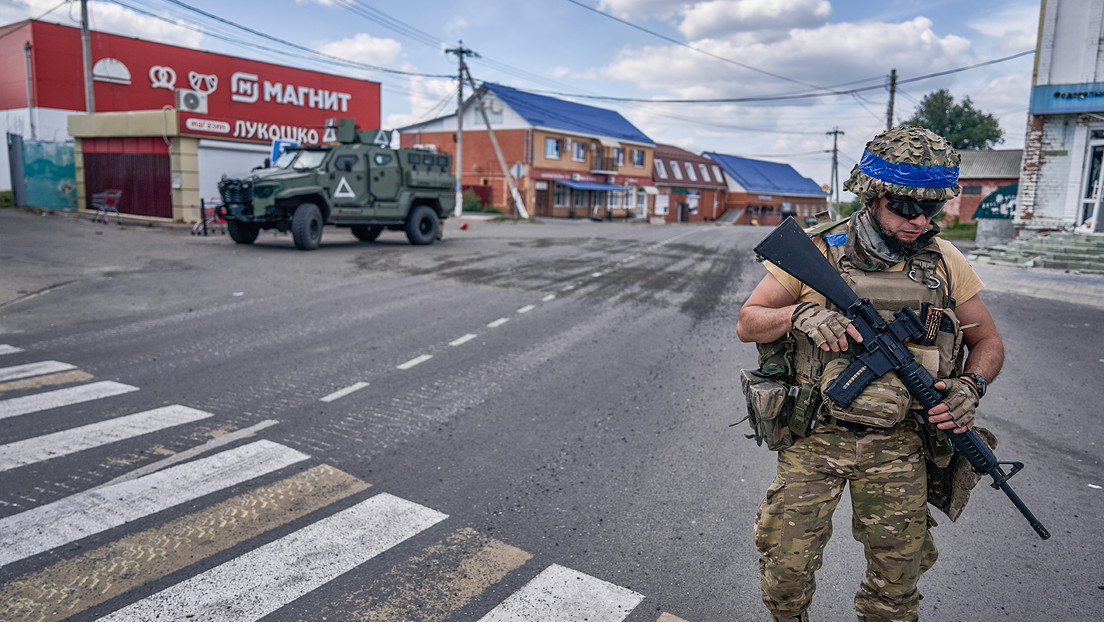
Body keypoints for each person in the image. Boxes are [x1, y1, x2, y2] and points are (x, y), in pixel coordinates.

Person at [736, 125, 1005, 622]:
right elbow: (748, 321)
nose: (919, 221)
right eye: (905, 207)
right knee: (785, 572)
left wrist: (972, 384)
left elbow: (986, 341)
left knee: (897, 586)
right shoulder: (817, 251)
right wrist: (796, 316)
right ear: (872, 195)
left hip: (900, 448)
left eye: (931, 209)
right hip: (814, 438)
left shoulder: (944, 261)